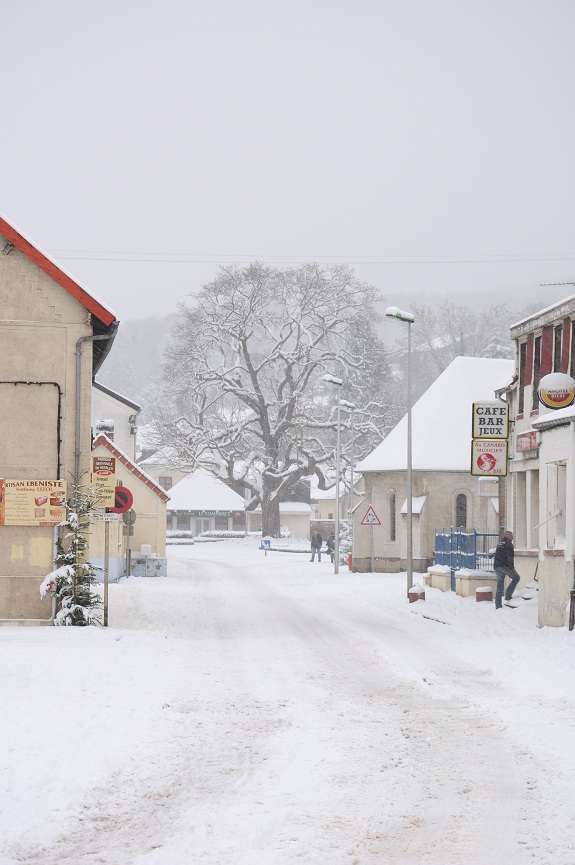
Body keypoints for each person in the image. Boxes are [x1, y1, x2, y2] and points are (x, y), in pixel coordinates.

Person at [493, 530, 520, 609]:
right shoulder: (509, 544)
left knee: (499, 586)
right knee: (516, 578)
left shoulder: (500, 543)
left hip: (497, 566)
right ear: (508, 537)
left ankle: (498, 605)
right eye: (512, 536)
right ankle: (508, 594)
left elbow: (497, 555)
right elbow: (509, 558)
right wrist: (511, 569)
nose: (513, 538)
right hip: (505, 566)